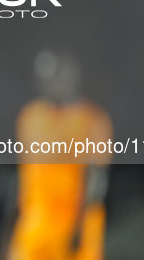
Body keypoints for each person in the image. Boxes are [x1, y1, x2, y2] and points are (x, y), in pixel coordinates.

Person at [7, 50, 112, 260]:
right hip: (36, 226)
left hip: (75, 226)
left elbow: (96, 181)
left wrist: (79, 231)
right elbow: (23, 180)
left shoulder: (91, 120)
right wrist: (7, 234)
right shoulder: (30, 117)